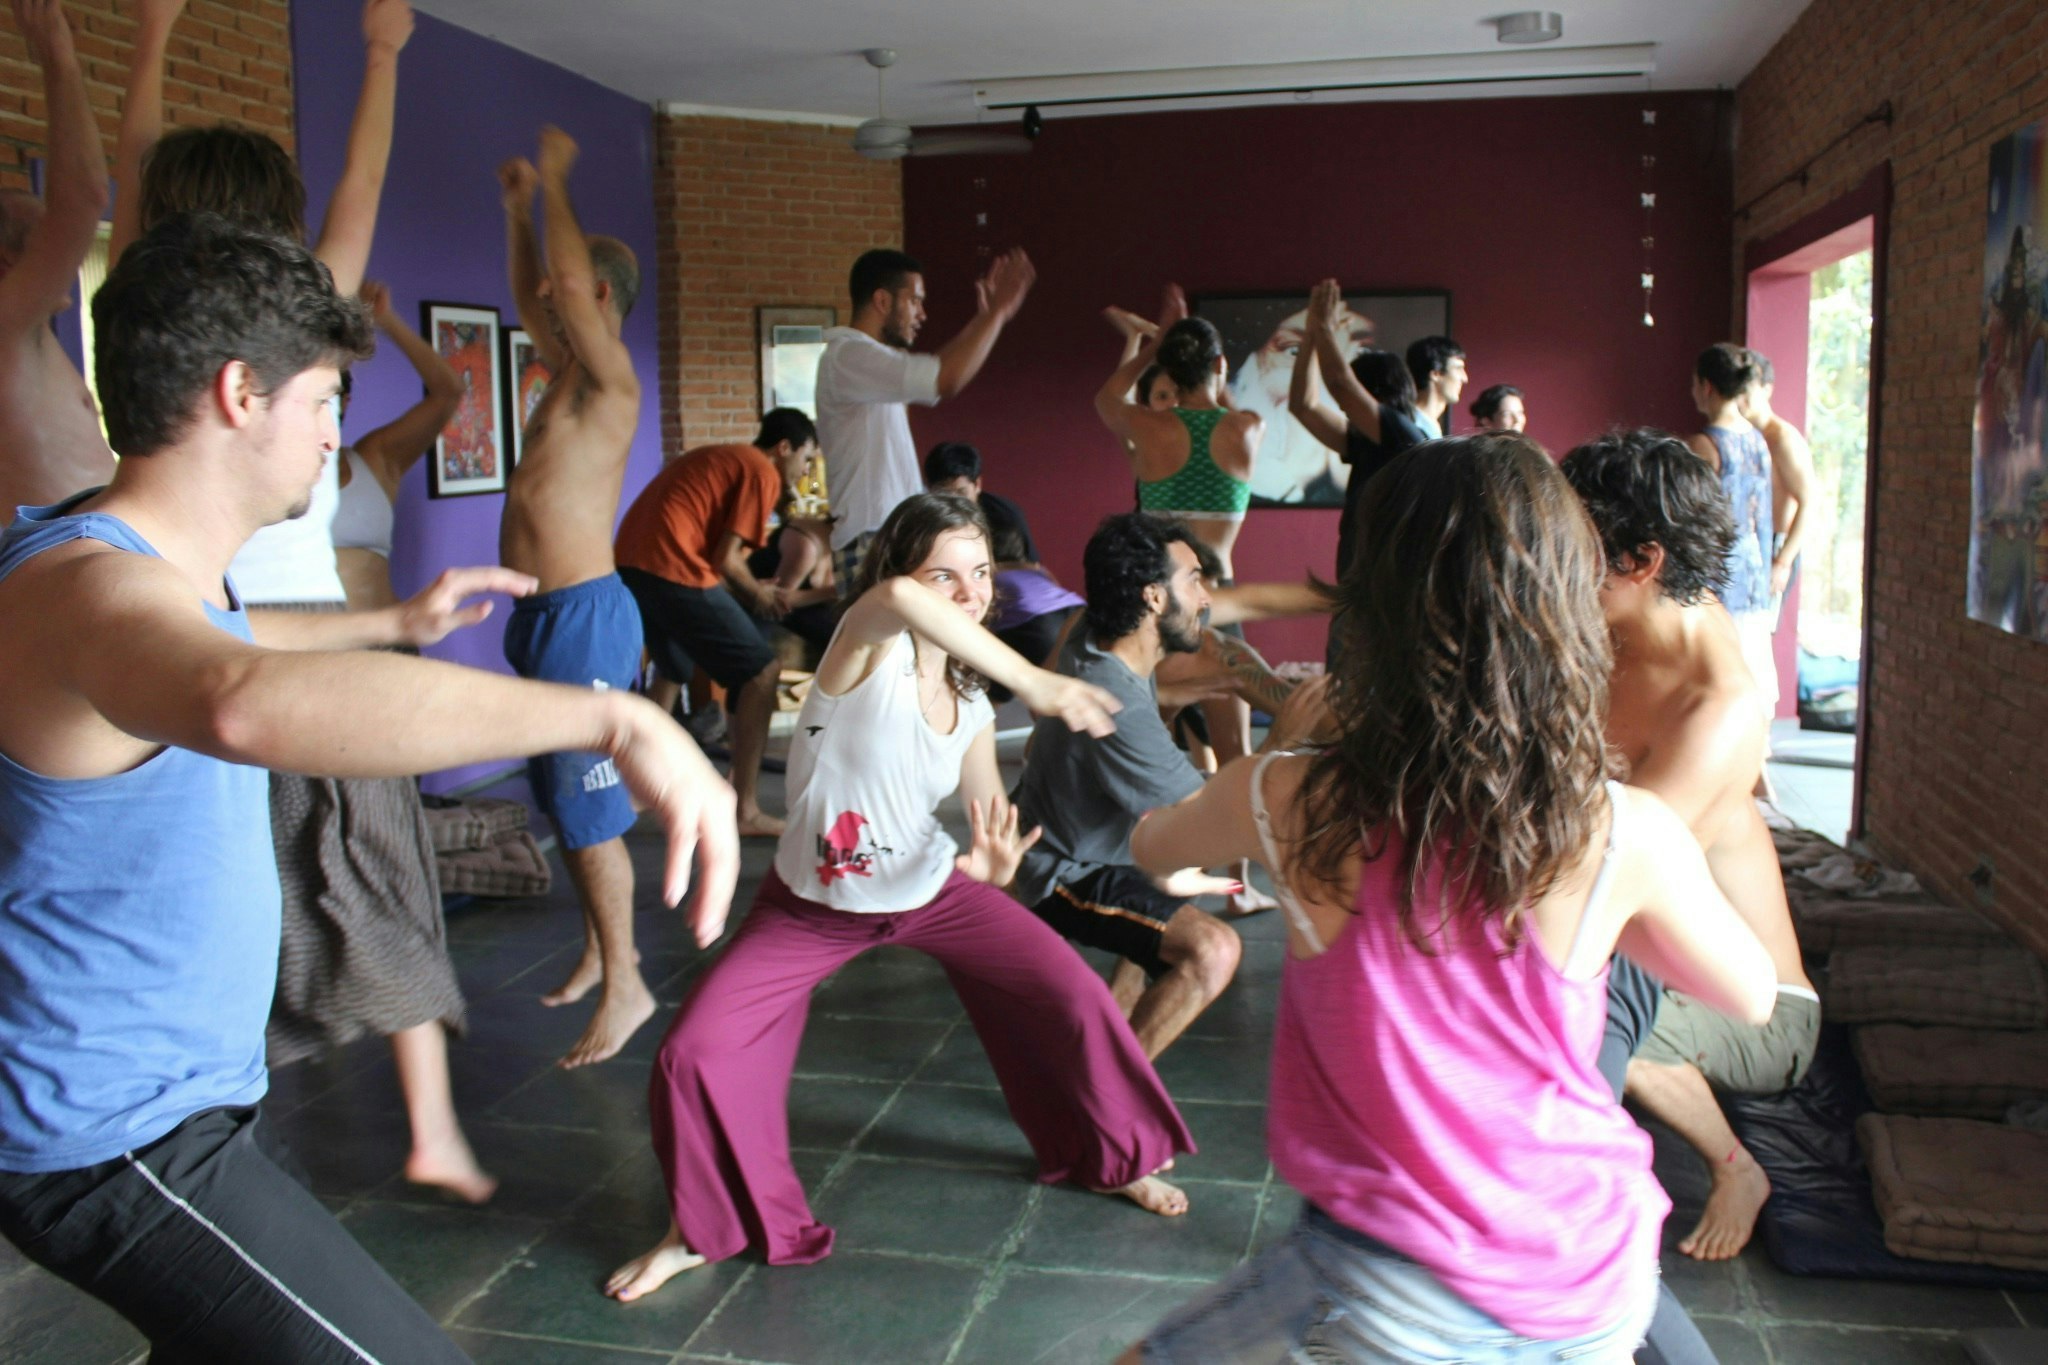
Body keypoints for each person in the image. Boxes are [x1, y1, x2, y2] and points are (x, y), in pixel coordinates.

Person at [0, 210, 737, 1365]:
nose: (332, 431)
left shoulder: (109, 559)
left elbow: (222, 633)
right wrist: (613, 713)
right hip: (108, 1136)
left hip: (177, 1096)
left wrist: (392, 621)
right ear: (244, 395)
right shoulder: (93, 597)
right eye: (323, 400)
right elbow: (236, 694)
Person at [1118, 434, 1777, 1365]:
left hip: (1390, 1289)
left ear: (1376, 602)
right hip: (1590, 1283)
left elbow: (1151, 841)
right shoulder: (1624, 829)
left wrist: (1276, 757)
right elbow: (1750, 993)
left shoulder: (1287, 795)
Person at [605, 493, 1199, 1303]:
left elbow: (987, 816)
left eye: (981, 573)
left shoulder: (971, 702)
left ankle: (1112, 1158)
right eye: (944, 575)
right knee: (695, 1051)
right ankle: (699, 1229)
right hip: (810, 904)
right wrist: (1036, 680)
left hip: (930, 890)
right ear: (904, 575)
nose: (970, 592)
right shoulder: (863, 649)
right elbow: (889, 601)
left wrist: (989, 864)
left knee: (1069, 993)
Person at [1563, 430, 1822, 1264]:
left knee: (1578, 1027)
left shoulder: (1716, 712)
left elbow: (1607, 888)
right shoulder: (1646, 614)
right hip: (1656, 949)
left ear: (1640, 561)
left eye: (1572, 552)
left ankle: (1738, 1168)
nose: (1553, 570)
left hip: (1760, 1010)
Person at [497, 128, 654, 1068]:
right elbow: (532, 290)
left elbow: (558, 283)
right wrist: (518, 214)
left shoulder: (613, 382)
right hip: (546, 618)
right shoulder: (566, 376)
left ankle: (630, 981)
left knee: (589, 807)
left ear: (597, 301)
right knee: (565, 798)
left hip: (585, 616)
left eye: (565, 296)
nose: (543, 308)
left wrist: (555, 178)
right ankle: (601, 951)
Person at [1009, 512, 1247, 1060]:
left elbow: (1247, 603)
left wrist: (1231, 678)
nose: (1206, 598)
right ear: (1154, 598)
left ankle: (1112, 1029)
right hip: (1064, 867)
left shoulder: (1094, 630)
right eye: (1192, 580)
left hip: (1097, 843)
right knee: (1212, 949)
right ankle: (1111, 1099)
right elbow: (1212, 815)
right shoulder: (1110, 695)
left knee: (1175, 866)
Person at [1096, 287, 1267, 914]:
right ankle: (1240, 888)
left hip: (1157, 617)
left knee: (1150, 751)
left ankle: (1155, 870)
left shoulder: (1148, 425)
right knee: (1236, 755)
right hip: (1216, 607)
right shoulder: (1245, 427)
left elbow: (1105, 399)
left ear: (1171, 369)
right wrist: (1202, 370)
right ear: (1220, 370)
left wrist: (1150, 345)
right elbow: (1220, 407)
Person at [615, 407, 821, 838]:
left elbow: (716, 562)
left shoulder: (726, 457)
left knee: (672, 669)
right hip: (668, 568)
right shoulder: (760, 470)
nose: (804, 473)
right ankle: (744, 810)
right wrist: (759, 594)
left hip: (634, 566)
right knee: (761, 674)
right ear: (783, 448)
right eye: (805, 460)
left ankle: (631, 791)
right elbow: (728, 561)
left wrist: (749, 587)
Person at [814, 246, 1035, 584]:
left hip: (889, 537)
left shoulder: (866, 363)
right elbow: (944, 378)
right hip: (872, 542)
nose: (922, 314)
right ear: (883, 301)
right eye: (914, 301)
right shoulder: (849, 356)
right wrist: (995, 315)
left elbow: (938, 371)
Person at [0, 0, 114, 528]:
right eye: (43, 237)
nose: (65, 253)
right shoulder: (5, 325)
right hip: (48, 576)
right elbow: (85, 197)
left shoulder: (30, 339)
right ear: (7, 261)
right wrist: (56, 54)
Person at [1287, 279, 1432, 582]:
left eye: (1355, 398)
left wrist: (1324, 327)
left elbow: (1340, 384)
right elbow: (1303, 406)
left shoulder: (1402, 435)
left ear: (1372, 392)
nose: (1344, 409)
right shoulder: (1368, 441)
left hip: (1388, 591)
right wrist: (1312, 335)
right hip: (1358, 588)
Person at [332, 281, 464, 610]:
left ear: (345, 400)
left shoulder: (375, 460)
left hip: (385, 644)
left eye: (328, 396)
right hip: (307, 654)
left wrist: (387, 321)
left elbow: (449, 392)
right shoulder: (262, 473)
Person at [1684, 343, 1778, 724]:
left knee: (1718, 667)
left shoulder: (1703, 445)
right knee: (1751, 661)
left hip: (1718, 568)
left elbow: (1693, 517)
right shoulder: (1758, 439)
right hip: (1754, 565)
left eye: (1693, 384)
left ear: (1707, 386)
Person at [1737, 350, 1818, 606]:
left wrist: (1783, 561)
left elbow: (1810, 501)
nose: (1741, 398)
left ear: (1766, 389)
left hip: (1774, 545)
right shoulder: (1746, 437)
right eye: (1737, 390)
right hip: (1749, 542)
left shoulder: (1783, 438)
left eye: (1748, 390)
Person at [923, 438, 1043, 567]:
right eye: (944, 493)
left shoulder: (1006, 517)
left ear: (977, 485)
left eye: (961, 492)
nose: (954, 502)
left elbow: (1031, 569)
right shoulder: (920, 522)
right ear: (930, 490)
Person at [1405, 333, 1468, 439]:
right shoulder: (1410, 426)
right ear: (1436, 374)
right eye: (1458, 368)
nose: (1465, 378)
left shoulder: (1429, 425)